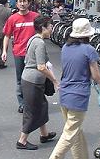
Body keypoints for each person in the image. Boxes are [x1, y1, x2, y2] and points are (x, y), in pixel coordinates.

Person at [49, 18, 100, 159]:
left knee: (75, 132)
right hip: (78, 95)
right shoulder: (89, 50)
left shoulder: (66, 47)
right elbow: (96, 76)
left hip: (64, 92)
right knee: (70, 133)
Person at [16, 16, 58, 150]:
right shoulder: (39, 43)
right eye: (50, 26)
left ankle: (44, 134)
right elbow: (41, 66)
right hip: (32, 81)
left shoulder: (33, 39)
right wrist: (54, 80)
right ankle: (22, 141)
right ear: (43, 28)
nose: (52, 28)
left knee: (42, 106)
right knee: (32, 110)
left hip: (31, 80)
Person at [2, 0, 39, 113]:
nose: (22, 4)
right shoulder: (12, 19)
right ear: (17, 4)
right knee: (20, 79)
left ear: (29, 3)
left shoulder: (36, 17)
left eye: (24, 1)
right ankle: (22, 103)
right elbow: (7, 36)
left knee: (35, 79)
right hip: (19, 53)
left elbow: (43, 32)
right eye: (20, 1)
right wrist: (4, 51)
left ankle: (33, 102)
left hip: (33, 54)